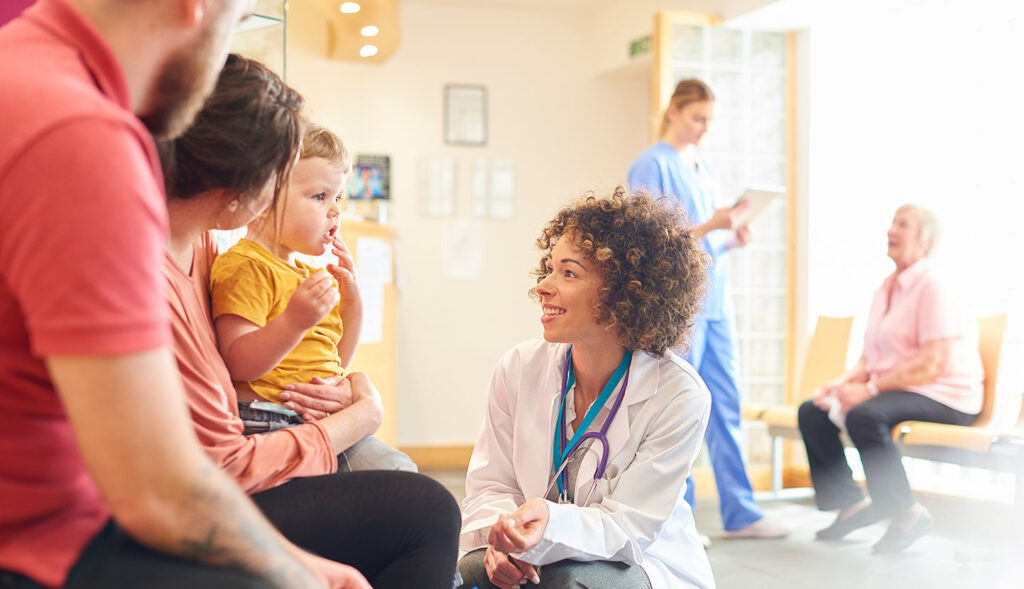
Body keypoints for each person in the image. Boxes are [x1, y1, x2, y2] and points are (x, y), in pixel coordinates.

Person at [0, 0, 364, 587]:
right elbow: (158, 487)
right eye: (237, 24)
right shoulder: (82, 136)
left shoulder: (27, 69)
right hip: (47, 542)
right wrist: (303, 575)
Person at [159, 54, 459, 587]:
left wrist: (353, 378)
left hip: (287, 432)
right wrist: (359, 414)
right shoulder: (235, 264)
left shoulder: (205, 243)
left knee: (408, 487)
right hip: (250, 454)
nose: (332, 211)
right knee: (425, 504)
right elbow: (237, 384)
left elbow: (332, 358)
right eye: (316, 195)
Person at [458, 188, 716, 589]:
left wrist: (548, 526)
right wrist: (503, 534)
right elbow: (492, 484)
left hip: (640, 561)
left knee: (567, 580)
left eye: (569, 273)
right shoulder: (519, 368)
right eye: (548, 268)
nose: (543, 286)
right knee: (473, 568)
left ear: (623, 293)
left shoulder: (679, 396)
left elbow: (628, 527)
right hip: (532, 549)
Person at [627, 78, 787, 540]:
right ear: (673, 112)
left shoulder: (703, 166)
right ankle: (678, 518)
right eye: (697, 118)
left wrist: (728, 237)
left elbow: (701, 243)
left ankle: (741, 511)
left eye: (709, 121)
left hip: (716, 304)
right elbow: (648, 242)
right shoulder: (651, 164)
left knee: (724, 402)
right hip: (683, 307)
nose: (703, 129)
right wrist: (711, 224)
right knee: (680, 405)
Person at [798, 204, 983, 554]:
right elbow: (870, 358)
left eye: (904, 225)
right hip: (902, 387)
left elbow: (932, 364)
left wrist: (867, 391)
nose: (891, 231)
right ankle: (851, 504)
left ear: (925, 241)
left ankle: (907, 514)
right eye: (892, 223)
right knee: (813, 410)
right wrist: (839, 385)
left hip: (948, 394)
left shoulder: (933, 286)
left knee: (865, 414)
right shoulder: (886, 287)